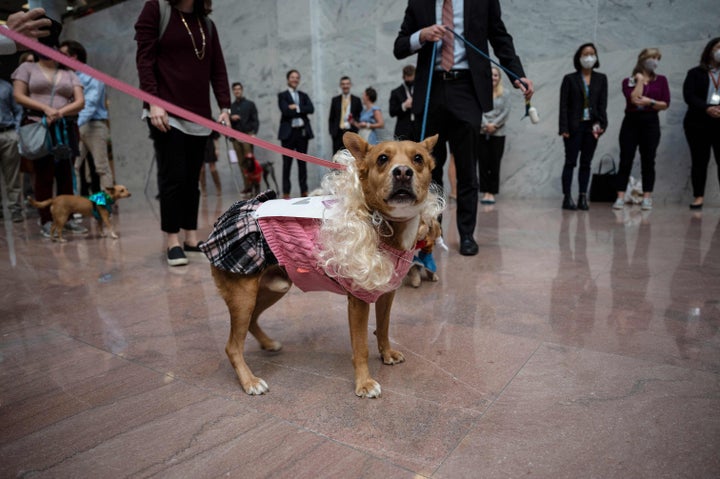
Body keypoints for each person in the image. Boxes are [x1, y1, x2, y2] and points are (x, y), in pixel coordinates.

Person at [394, 0, 534, 256]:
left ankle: (467, 234)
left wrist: (516, 74)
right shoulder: (419, 3)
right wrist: (421, 35)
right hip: (431, 90)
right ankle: (431, 234)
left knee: (468, 166)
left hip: (467, 89)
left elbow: (500, 36)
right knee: (428, 169)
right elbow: (400, 46)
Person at [135, 0, 231, 266]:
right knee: (173, 175)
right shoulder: (157, 9)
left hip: (199, 114)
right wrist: (152, 101)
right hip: (165, 111)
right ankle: (172, 239)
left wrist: (224, 106)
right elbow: (145, 59)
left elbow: (217, 68)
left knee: (192, 178)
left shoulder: (207, 25)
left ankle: (190, 237)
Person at [12, 33, 87, 238]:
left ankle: (68, 218)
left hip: (65, 126)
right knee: (43, 174)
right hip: (39, 125)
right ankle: (46, 220)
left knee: (66, 175)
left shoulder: (69, 73)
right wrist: (46, 109)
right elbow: (18, 96)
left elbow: (80, 101)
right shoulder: (27, 68)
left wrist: (59, 112)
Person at [613, 48, 670, 211]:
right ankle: (620, 197)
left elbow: (665, 103)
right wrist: (639, 81)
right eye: (652, 57)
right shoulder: (628, 81)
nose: (655, 61)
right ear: (643, 59)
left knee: (648, 160)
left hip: (651, 122)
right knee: (625, 159)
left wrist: (650, 102)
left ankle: (647, 198)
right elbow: (634, 100)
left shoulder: (661, 80)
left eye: (658, 58)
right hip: (631, 122)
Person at [559, 43, 608, 211]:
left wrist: (602, 125)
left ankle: (582, 197)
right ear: (579, 57)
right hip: (573, 127)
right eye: (586, 54)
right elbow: (563, 105)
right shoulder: (569, 79)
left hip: (591, 127)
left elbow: (602, 105)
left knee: (586, 163)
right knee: (570, 162)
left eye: (592, 54)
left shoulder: (601, 79)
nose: (589, 57)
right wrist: (563, 128)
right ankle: (567, 197)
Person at [59, 40, 114, 192]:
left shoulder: (91, 75)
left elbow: (90, 104)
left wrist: (76, 124)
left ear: (74, 56)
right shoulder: (66, 77)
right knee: (73, 167)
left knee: (101, 167)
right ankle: (77, 208)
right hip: (74, 125)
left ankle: (104, 207)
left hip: (93, 125)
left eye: (63, 55)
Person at [683, 37, 720, 210]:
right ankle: (698, 196)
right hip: (698, 122)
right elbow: (689, 95)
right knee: (699, 160)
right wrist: (706, 108)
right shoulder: (695, 73)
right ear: (710, 50)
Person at [277, 69, 314, 198]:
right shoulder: (282, 95)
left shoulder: (303, 95)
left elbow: (311, 108)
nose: (295, 79)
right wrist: (301, 110)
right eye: (292, 77)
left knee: (302, 163)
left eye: (297, 77)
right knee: (287, 164)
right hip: (288, 134)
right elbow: (285, 111)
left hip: (302, 133)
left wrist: (296, 108)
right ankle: (286, 192)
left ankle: (304, 191)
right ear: (288, 79)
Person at [478, 66, 511, 205]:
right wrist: (485, 124)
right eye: (491, 75)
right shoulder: (480, 92)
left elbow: (506, 112)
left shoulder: (505, 93)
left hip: (498, 133)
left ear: (499, 78)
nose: (493, 78)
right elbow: (477, 110)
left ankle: (492, 192)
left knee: (494, 163)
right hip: (482, 131)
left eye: (496, 75)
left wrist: (494, 125)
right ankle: (485, 191)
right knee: (483, 163)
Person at [0, 78, 24, 223]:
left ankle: (14, 208)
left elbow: (18, 109)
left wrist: (16, 131)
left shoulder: (6, 87)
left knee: (12, 174)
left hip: (7, 133)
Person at [229, 81, 259, 194]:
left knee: (250, 162)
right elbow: (227, 123)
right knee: (241, 163)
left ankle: (255, 185)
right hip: (236, 138)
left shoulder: (250, 104)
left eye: (238, 89)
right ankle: (248, 186)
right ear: (233, 91)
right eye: (235, 89)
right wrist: (231, 118)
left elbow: (255, 119)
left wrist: (254, 133)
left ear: (242, 90)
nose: (237, 91)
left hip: (247, 136)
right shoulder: (230, 107)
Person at [328, 76, 362, 153]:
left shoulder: (356, 100)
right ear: (340, 85)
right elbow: (331, 118)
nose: (345, 86)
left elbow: (360, 116)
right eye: (343, 84)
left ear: (350, 85)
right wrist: (332, 133)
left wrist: (356, 128)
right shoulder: (335, 100)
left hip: (351, 132)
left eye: (347, 84)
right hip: (338, 133)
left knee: (352, 157)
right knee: (337, 158)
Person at [389, 65, 417, 141]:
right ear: (404, 77)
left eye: (412, 78)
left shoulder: (420, 91)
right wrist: (403, 106)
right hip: (403, 130)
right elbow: (392, 112)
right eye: (408, 79)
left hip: (418, 129)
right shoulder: (396, 92)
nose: (410, 82)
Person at [200, 130, 221, 196]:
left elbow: (216, 135)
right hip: (199, 144)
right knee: (201, 169)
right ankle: (203, 189)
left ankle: (218, 188)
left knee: (212, 167)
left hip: (209, 143)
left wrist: (217, 148)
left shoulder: (210, 119)